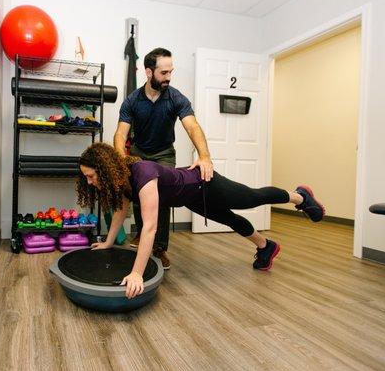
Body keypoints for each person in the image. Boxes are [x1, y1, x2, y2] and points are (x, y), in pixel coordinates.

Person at [76, 143, 325, 299]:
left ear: (105, 170)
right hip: (192, 197)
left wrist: (137, 274)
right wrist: (108, 243)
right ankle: (265, 246)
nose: (89, 182)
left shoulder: (143, 174)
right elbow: (120, 212)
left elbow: (150, 227)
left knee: (251, 198)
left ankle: (299, 197)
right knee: (231, 220)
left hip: (205, 183)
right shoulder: (122, 181)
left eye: (91, 176)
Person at [113, 47, 213, 269]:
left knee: (162, 197)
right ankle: (141, 235)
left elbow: (192, 127)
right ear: (149, 72)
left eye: (171, 72)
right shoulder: (132, 100)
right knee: (139, 196)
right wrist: (121, 159)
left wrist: (204, 156)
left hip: (164, 154)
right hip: (139, 152)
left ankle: (159, 248)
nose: (168, 77)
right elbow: (121, 133)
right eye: (164, 73)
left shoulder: (176, 98)